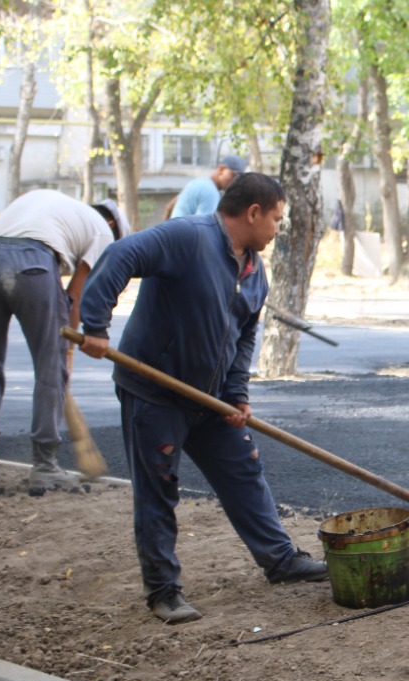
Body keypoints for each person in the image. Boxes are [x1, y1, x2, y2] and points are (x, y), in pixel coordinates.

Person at [78, 173, 327, 624]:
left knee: (244, 470)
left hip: (210, 400)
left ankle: (281, 560)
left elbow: (244, 336)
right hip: (155, 393)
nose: (277, 228)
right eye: (275, 219)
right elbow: (120, 254)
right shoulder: (187, 237)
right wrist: (95, 324)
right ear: (253, 213)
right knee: (159, 489)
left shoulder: (254, 270)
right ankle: (163, 591)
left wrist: (237, 394)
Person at [0, 190, 130, 491]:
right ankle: (44, 465)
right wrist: (64, 355)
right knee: (49, 367)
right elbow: (77, 295)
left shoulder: (53, 206)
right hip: (32, 261)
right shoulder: (102, 231)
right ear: (113, 226)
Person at [166, 154, 246, 219]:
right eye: (233, 175)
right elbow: (203, 231)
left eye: (239, 178)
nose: (235, 181)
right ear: (221, 169)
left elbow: (170, 207)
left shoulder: (199, 182)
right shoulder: (210, 192)